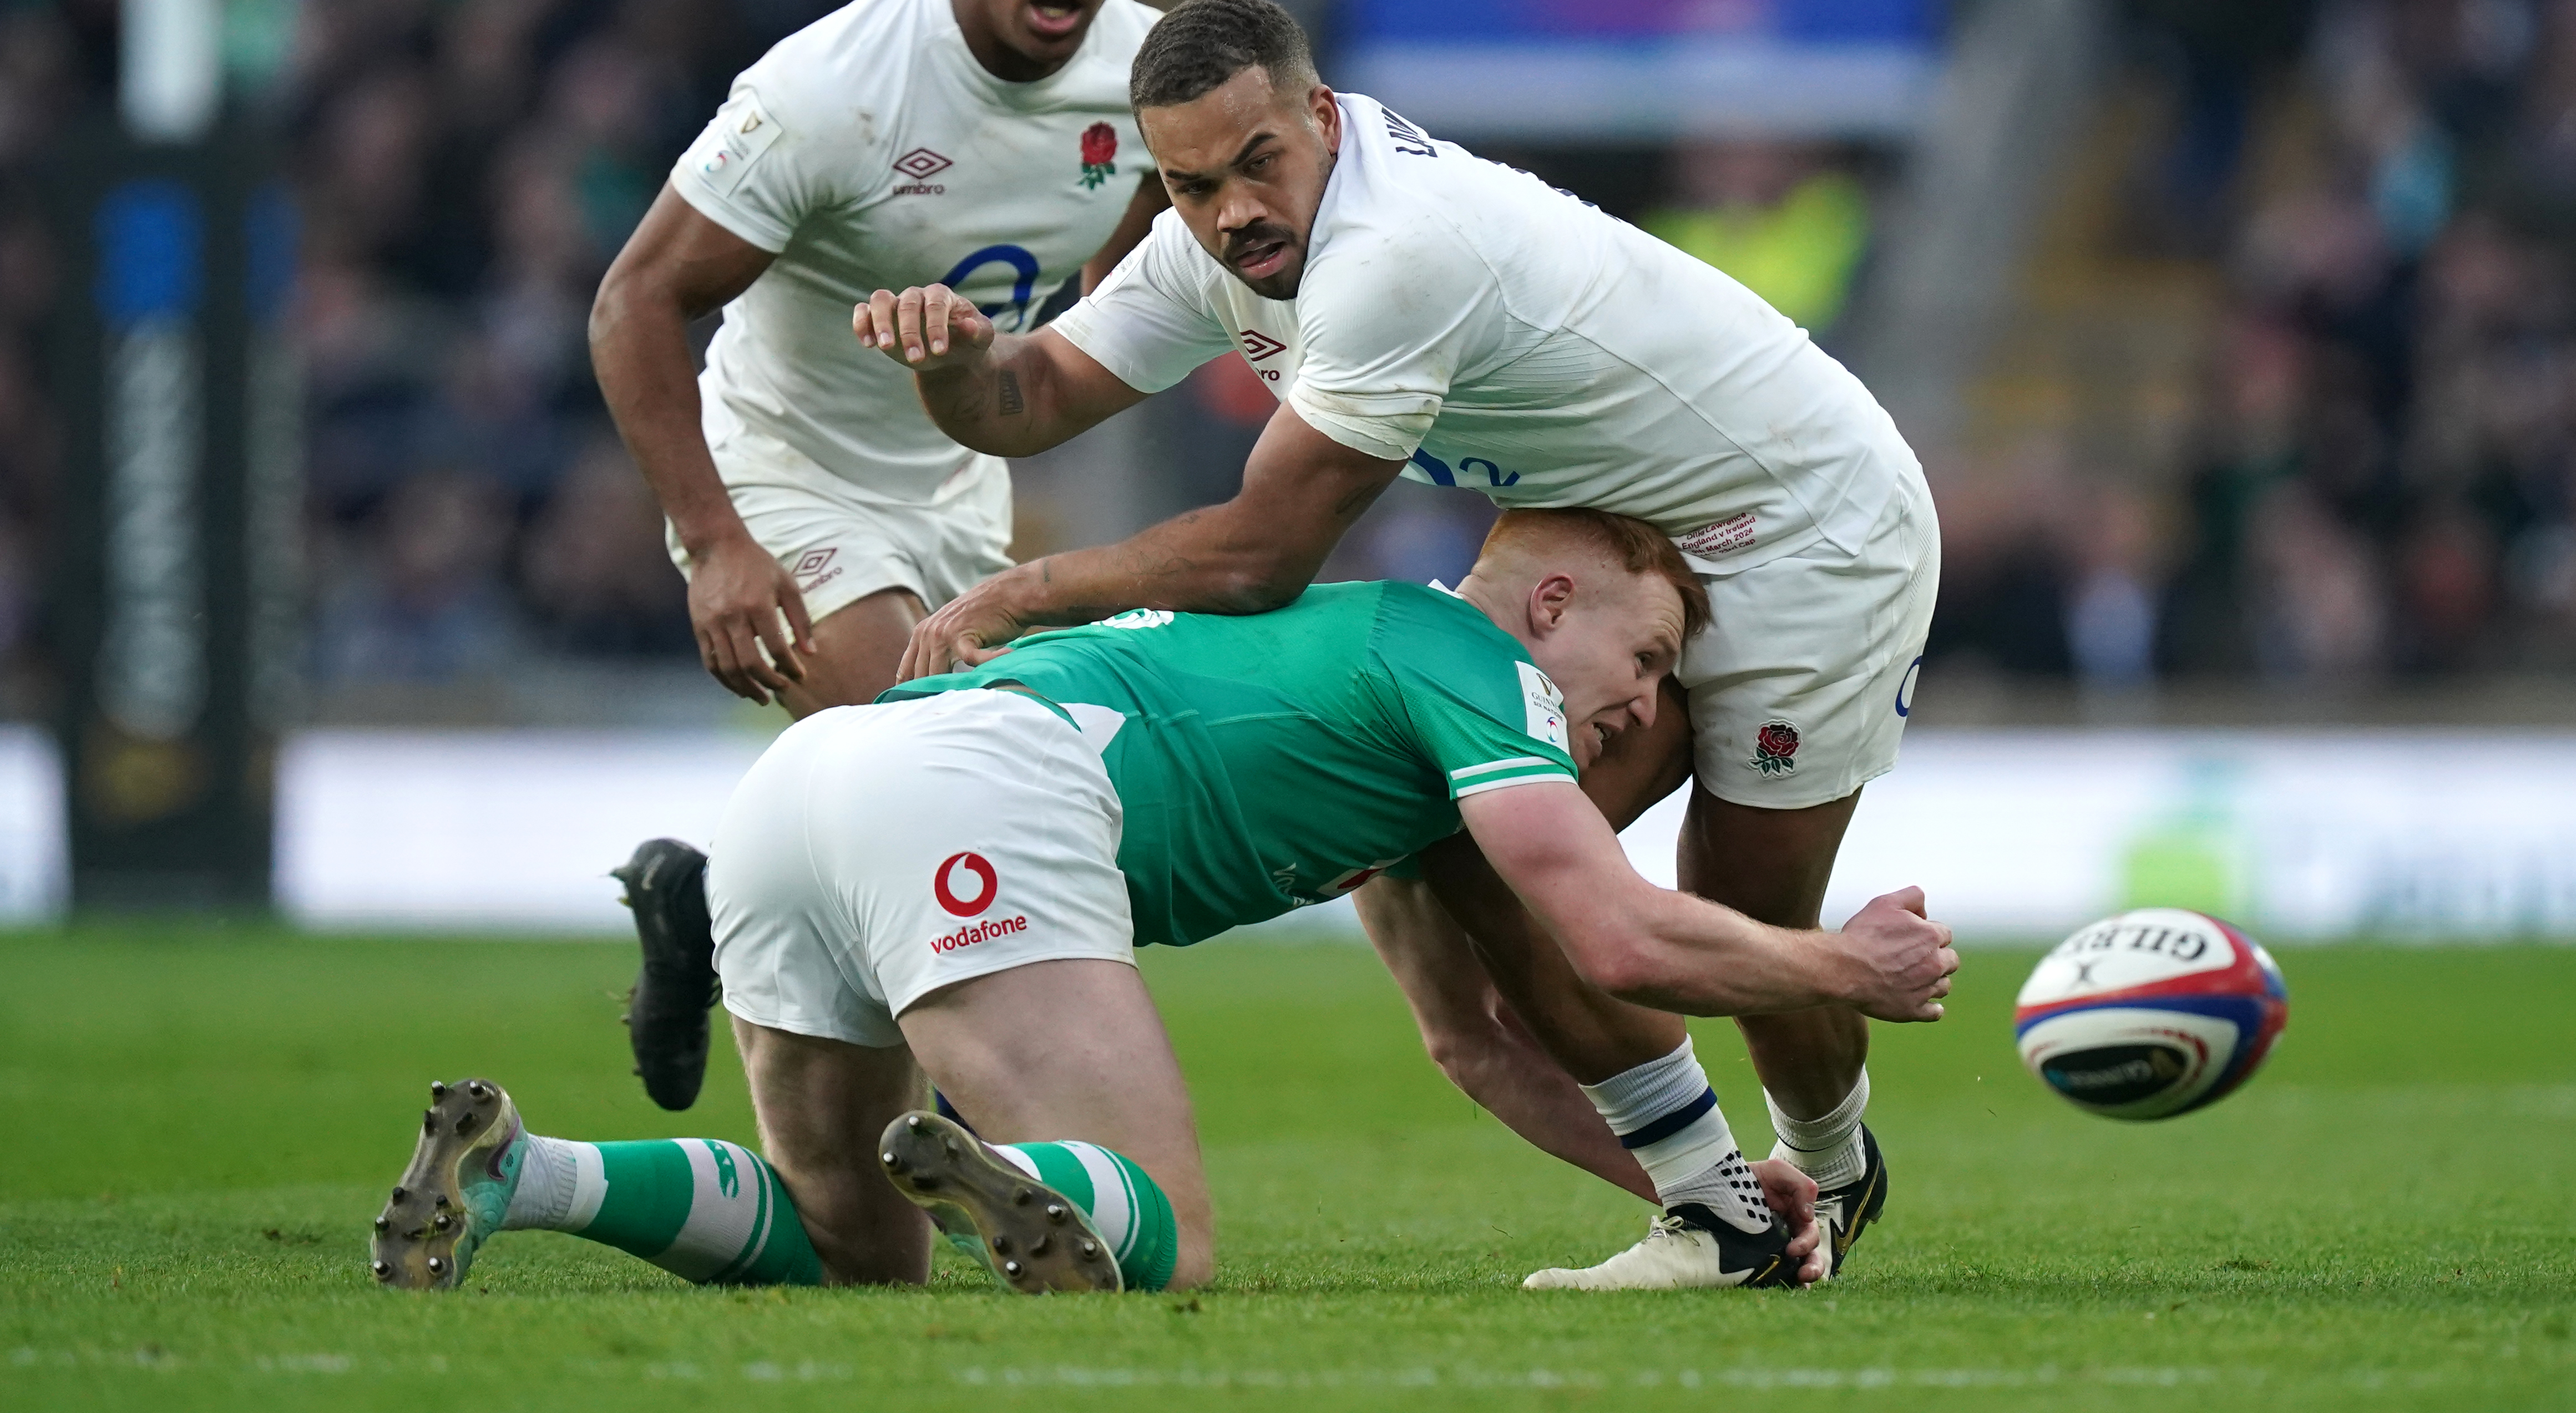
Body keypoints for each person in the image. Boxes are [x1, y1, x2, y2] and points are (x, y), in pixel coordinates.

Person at [852, 0, 1940, 1289]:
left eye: (1260, 162)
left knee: (1740, 906)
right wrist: (954, 363)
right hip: (1616, 524)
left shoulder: (1394, 251)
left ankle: (1824, 1162)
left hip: (1805, 521)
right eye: (1193, 184)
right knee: (1468, 832)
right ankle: (1719, 1209)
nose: (1234, 209)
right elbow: (1031, 396)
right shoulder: (1220, 242)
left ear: (1321, 117)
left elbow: (1262, 555)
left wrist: (1020, 590)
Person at [374, 511, 1955, 1295]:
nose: (1641, 702)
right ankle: (1009, 1162)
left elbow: (1473, 1045)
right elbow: (1614, 935)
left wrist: (1718, 1208)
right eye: (1653, 657)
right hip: (979, 800)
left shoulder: (1375, 708)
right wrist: (1842, 961)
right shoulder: (1471, 664)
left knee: (852, 1245)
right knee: (1167, 1238)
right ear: (1553, 602)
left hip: (801, 796)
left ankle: (534, 1170)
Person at [588, 0, 1165, 1105]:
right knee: (924, 772)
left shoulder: (1147, 83)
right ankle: (984, 1102)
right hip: (783, 462)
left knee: (983, 791)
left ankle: (706, 907)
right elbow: (634, 299)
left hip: (962, 483)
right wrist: (721, 541)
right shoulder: (832, 88)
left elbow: (1141, 294)